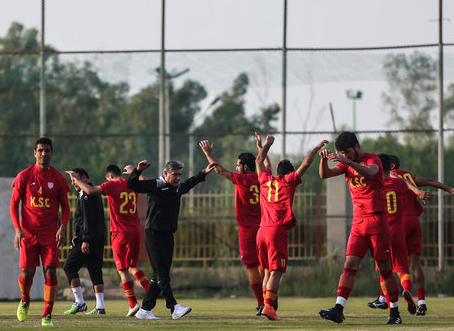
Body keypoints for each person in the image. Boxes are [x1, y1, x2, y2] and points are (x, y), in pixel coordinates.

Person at [317, 131, 402, 325]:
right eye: (342, 153)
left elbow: (371, 172)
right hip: (358, 222)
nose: (345, 156)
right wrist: (323, 161)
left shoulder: (373, 159)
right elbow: (325, 175)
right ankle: (338, 309)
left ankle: (395, 313)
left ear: (356, 146)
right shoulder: (347, 162)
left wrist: (346, 162)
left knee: (385, 269)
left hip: (377, 221)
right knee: (349, 266)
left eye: (347, 152)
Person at [367, 154, 454, 316]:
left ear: (389, 166)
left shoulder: (381, 181)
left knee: (386, 267)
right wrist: (448, 189)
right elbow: (428, 181)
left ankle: (384, 299)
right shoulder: (404, 178)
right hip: (413, 221)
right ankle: (421, 301)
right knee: (413, 264)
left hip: (393, 225)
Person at [128, 158, 218, 320]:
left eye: (179, 174)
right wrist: (138, 171)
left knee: (159, 273)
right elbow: (133, 185)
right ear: (165, 174)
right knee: (162, 272)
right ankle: (173, 307)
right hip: (154, 233)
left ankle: (145, 310)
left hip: (168, 234)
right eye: (174, 174)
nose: (177, 177)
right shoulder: (157, 185)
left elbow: (190, 183)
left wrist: (204, 172)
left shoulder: (177, 188)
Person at [254, 133, 328, 321]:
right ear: (288, 173)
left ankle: (264, 304)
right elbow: (306, 164)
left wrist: (265, 145)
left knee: (267, 272)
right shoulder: (288, 181)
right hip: (276, 230)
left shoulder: (265, 180)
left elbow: (259, 160)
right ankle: (269, 307)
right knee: (277, 271)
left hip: (261, 230)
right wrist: (317, 148)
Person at [68, 164, 150, 317]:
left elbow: (90, 191)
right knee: (132, 265)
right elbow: (145, 182)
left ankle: (133, 304)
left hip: (120, 232)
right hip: (135, 230)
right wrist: (136, 172)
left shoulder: (112, 185)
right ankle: (150, 290)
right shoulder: (132, 182)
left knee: (122, 269)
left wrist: (75, 179)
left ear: (110, 176)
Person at [198, 140, 265, 314]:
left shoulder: (242, 180)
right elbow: (265, 162)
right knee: (263, 265)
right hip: (264, 227)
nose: (236, 168)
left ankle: (261, 302)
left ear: (245, 167)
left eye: (238, 165)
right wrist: (262, 149)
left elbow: (218, 169)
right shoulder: (263, 178)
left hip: (247, 230)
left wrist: (207, 153)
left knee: (251, 266)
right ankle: (269, 298)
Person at [10, 137, 70, 327]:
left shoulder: (58, 178)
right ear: (34, 153)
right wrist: (17, 229)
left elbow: (66, 207)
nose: (44, 153)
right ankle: (25, 299)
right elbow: (14, 204)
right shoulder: (25, 176)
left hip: (50, 235)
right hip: (28, 234)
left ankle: (47, 315)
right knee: (27, 274)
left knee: (50, 272)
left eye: (47, 150)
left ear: (52, 153)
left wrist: (63, 227)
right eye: (40, 150)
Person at [61, 167, 107, 316]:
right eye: (72, 179)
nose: (73, 183)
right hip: (98, 238)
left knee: (69, 267)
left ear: (85, 179)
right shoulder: (94, 192)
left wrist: (85, 239)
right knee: (95, 270)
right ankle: (100, 306)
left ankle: (80, 302)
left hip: (86, 238)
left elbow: (87, 219)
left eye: (75, 179)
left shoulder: (85, 193)